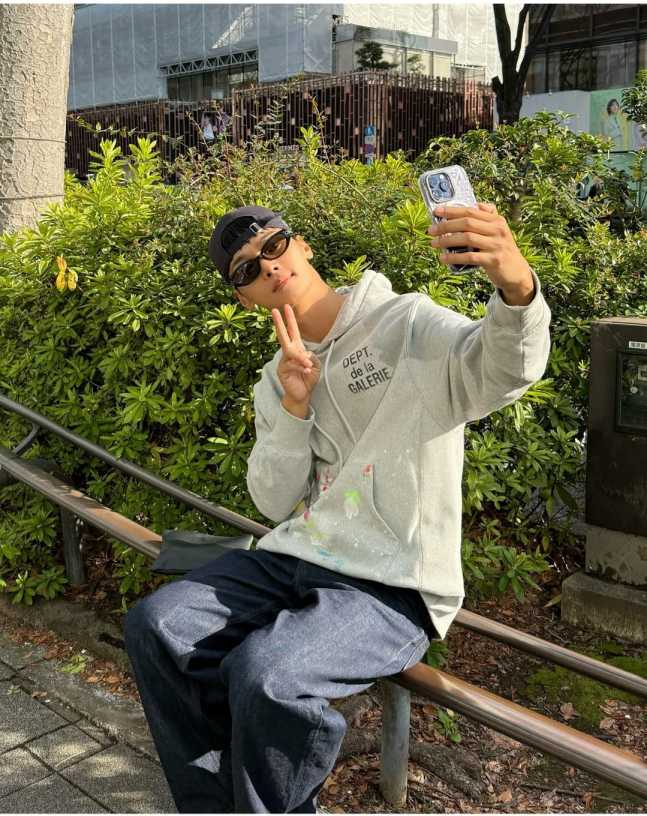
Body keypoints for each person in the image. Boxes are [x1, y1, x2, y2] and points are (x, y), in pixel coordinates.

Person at [123, 203, 551, 813]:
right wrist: (294, 409)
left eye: (274, 246)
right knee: (156, 627)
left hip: (390, 581)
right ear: (243, 297)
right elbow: (273, 501)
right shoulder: (275, 379)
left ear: (301, 247)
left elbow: (503, 369)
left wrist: (516, 287)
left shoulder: (405, 322)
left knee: (269, 676)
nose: (268, 267)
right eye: (246, 270)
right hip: (294, 557)